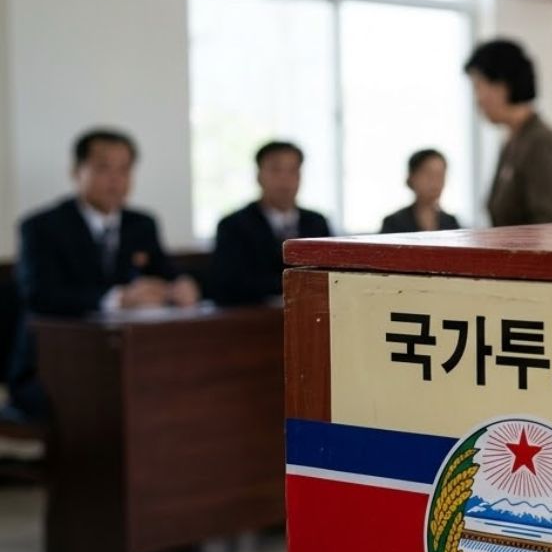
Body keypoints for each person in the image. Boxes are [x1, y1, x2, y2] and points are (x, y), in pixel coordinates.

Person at [6, 129, 199, 421]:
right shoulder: (42, 227)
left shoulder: (141, 223)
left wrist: (183, 285)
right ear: (76, 171)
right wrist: (118, 298)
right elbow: (39, 294)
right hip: (51, 367)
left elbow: (166, 271)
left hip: (125, 361)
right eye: (103, 168)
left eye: (124, 170)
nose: (115, 179)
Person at [464, 39, 552, 226]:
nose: (477, 100)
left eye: (478, 86)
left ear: (502, 86)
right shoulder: (514, 141)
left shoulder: (540, 143)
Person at [211, 142, 332, 306]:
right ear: (259, 176)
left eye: (293, 171)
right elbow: (229, 284)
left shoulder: (317, 222)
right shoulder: (234, 225)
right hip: (255, 320)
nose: (285, 179)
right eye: (276, 170)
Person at [380, 149, 461, 234]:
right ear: (412, 177)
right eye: (428, 174)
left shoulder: (451, 223)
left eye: (440, 175)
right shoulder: (394, 222)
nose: (435, 181)